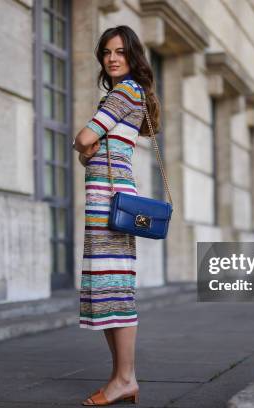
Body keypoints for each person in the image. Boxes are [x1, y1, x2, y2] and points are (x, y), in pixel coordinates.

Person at [72, 25, 161, 406]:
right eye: (107, 52)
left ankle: (124, 378)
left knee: (115, 287)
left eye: (120, 51)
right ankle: (123, 376)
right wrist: (85, 148)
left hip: (110, 200)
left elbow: (85, 138)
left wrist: (82, 144)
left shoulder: (124, 92)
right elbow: (91, 147)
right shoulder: (127, 94)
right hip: (109, 195)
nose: (112, 58)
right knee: (107, 285)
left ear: (133, 56)